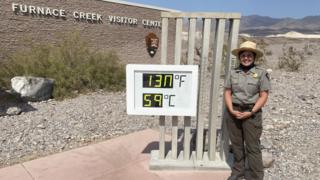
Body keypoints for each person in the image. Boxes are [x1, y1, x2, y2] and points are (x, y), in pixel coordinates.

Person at [224, 41, 271, 180]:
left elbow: (264, 95)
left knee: (253, 147)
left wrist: (252, 111)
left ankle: (256, 176)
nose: (246, 58)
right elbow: (227, 91)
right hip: (234, 112)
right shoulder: (233, 72)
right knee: (237, 145)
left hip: (252, 113)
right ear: (239, 57)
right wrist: (231, 110)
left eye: (249, 55)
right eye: (243, 55)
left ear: (254, 57)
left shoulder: (261, 73)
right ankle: (238, 171)